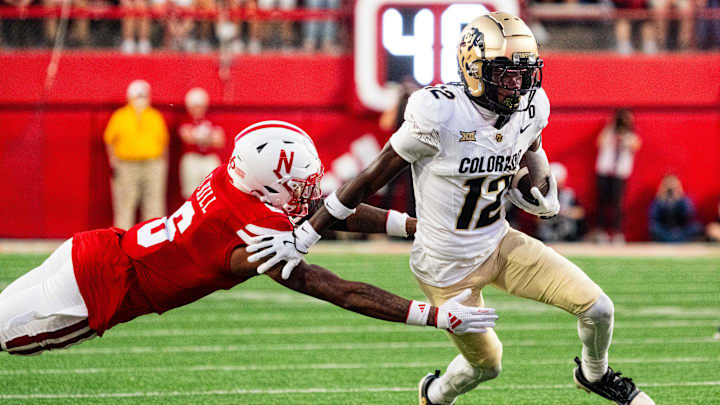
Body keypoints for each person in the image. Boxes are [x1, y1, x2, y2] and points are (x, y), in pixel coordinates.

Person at [247, 13, 655, 405]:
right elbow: (370, 178)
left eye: (524, 72)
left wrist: (543, 187)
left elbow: (532, 145)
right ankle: (436, 393)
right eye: (505, 72)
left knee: (599, 307)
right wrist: (308, 233)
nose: (517, 83)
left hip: (499, 243)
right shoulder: (439, 112)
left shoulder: (531, 104)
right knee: (487, 365)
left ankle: (595, 374)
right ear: (474, 69)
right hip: (445, 267)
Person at [0, 121, 498, 356]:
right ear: (268, 182)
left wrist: (412, 226)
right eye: (298, 185)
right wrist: (433, 316)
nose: (307, 193)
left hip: (91, 249)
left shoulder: (231, 178)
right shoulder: (255, 235)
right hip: (94, 293)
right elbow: (336, 289)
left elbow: (325, 211)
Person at [104, 80, 169, 230]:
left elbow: (164, 142)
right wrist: (113, 160)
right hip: (127, 165)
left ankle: (154, 241)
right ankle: (121, 240)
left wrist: (162, 164)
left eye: (144, 95)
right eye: (138, 96)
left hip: (153, 164)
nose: (141, 99)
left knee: (154, 204)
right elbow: (109, 140)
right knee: (125, 204)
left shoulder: (154, 116)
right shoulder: (120, 116)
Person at [593, 108, 641, 244]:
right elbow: (599, 142)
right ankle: (601, 232)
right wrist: (611, 126)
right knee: (602, 202)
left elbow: (636, 146)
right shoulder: (609, 132)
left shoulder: (631, 135)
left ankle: (617, 233)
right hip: (604, 170)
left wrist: (625, 135)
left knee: (617, 204)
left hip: (620, 173)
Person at [178, 87, 225, 199]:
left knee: (212, 190)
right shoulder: (185, 120)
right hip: (192, 158)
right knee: (190, 193)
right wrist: (208, 137)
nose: (197, 109)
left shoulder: (211, 120)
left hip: (208, 158)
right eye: (195, 106)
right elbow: (187, 137)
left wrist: (198, 137)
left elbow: (220, 140)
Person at [536, 162, 586, 242]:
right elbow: (537, 219)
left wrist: (566, 212)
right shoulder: (543, 195)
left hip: (566, 232)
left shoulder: (569, 194)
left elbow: (580, 212)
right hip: (548, 232)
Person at [648, 174, 701, 242]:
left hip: (682, 231)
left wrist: (680, 197)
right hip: (665, 231)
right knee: (654, 228)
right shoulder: (659, 200)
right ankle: (674, 241)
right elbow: (653, 217)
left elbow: (690, 215)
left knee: (696, 227)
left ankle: (675, 240)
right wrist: (660, 200)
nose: (671, 189)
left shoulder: (683, 199)